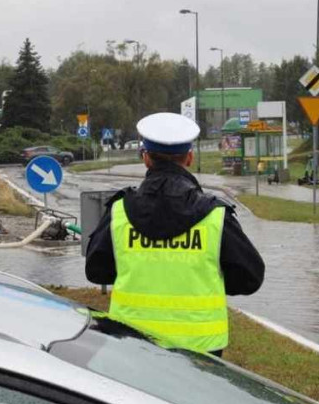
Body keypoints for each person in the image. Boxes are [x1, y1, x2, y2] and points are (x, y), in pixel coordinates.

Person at [85, 112, 265, 358]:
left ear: (146, 159)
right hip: (201, 351)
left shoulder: (119, 211)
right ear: (189, 157)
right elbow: (251, 278)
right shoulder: (214, 215)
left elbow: (96, 271)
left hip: (131, 344)